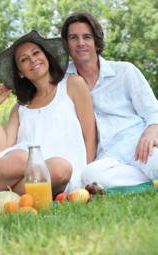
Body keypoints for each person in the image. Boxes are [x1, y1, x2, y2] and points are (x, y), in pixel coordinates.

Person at [0, 30, 97, 199]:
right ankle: (0, 197)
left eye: (36, 52)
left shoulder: (73, 84)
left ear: (46, 57)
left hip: (58, 171)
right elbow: (2, 149)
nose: (32, 60)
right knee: (20, 157)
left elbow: (90, 135)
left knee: (60, 168)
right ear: (20, 73)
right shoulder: (20, 107)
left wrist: (88, 175)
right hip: (19, 165)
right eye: (24, 59)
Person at [61, 10, 158, 188]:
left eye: (87, 37)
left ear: (97, 43)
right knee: (89, 176)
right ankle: (147, 181)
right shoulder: (62, 81)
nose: (80, 43)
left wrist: (151, 132)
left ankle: (149, 175)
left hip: (137, 143)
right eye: (73, 38)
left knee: (155, 163)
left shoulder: (124, 71)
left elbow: (153, 111)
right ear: (67, 45)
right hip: (106, 156)